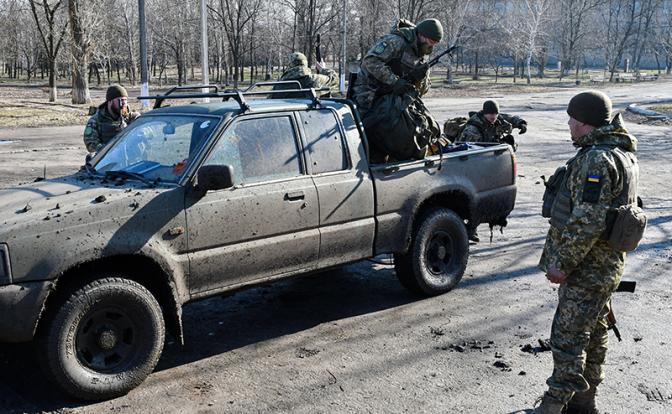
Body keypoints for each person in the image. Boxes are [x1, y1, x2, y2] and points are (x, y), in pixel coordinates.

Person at [535, 91, 640, 414]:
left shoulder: (596, 159)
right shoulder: (621, 153)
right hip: (606, 267)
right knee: (594, 336)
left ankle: (554, 406)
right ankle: (584, 403)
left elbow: (588, 221)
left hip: (587, 269)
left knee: (567, 339)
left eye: (571, 119)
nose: (568, 124)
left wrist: (562, 264)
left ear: (583, 122)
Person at [351, 18, 443, 161]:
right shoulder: (396, 41)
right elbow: (370, 61)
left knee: (410, 132)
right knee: (363, 137)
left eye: (436, 43)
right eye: (432, 42)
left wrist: (420, 78)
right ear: (422, 36)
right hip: (369, 95)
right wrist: (395, 81)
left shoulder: (420, 54)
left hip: (393, 101)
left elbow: (421, 91)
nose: (432, 46)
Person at [83, 85, 140, 154]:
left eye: (125, 100)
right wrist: (111, 150)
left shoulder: (133, 118)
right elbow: (91, 145)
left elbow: (144, 137)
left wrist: (128, 131)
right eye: (120, 100)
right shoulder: (96, 120)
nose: (124, 104)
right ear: (110, 102)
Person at [457, 99, 527, 146]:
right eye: (490, 114)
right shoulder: (473, 128)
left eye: (495, 113)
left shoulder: (498, 118)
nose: (493, 116)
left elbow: (512, 118)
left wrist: (522, 123)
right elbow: (466, 148)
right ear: (484, 113)